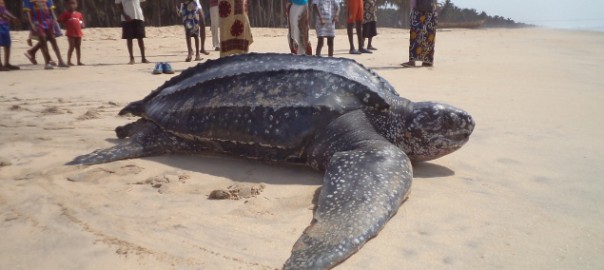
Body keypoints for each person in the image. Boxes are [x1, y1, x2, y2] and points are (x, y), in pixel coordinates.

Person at [23, 0, 68, 69]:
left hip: (49, 21)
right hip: (38, 22)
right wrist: (32, 24)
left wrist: (55, 21)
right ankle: (47, 62)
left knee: (53, 40)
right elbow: (28, 12)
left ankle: (60, 61)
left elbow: (51, 10)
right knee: (43, 40)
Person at [402, 0, 437, 67]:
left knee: (423, 36)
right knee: (424, 36)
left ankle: (420, 61)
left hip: (424, 11)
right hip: (428, 11)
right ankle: (426, 61)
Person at [116, 0, 149, 65]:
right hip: (126, 18)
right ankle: (131, 58)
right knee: (129, 38)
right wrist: (125, 15)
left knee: (140, 38)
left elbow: (144, 2)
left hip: (138, 17)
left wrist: (138, 10)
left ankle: (143, 58)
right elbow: (118, 5)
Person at [58, 0, 84, 66]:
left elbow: (81, 21)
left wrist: (82, 24)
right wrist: (64, 24)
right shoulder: (65, 13)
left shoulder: (79, 14)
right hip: (70, 33)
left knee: (78, 46)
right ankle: (69, 61)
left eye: (73, 3)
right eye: (70, 4)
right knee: (71, 46)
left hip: (78, 32)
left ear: (76, 5)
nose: (71, 5)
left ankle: (79, 61)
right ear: (67, 5)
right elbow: (59, 20)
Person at [0, 0, 19, 71]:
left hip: (4, 24)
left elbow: (4, 10)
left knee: (7, 43)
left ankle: (6, 63)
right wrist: (10, 18)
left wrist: (12, 17)